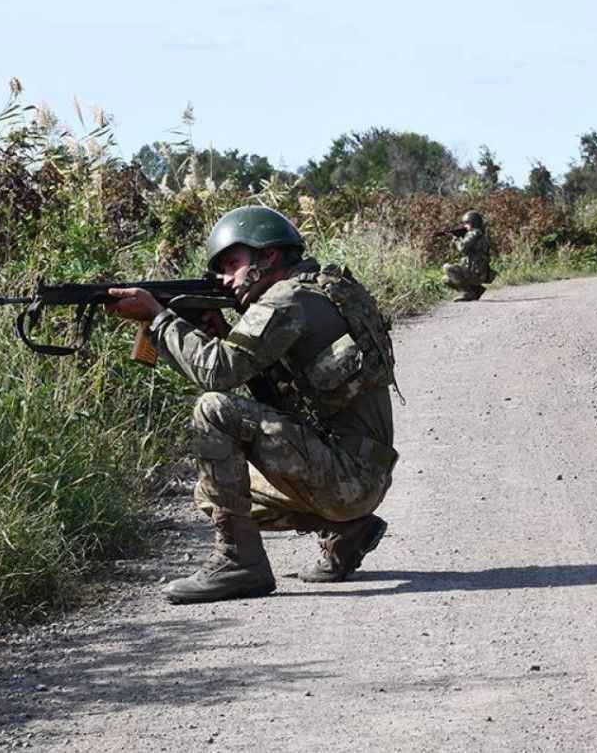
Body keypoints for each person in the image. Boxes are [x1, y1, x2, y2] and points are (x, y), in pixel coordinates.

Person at [106, 206, 399, 604]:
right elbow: (286, 397)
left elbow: (218, 374)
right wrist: (222, 332)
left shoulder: (286, 300)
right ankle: (349, 530)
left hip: (348, 478)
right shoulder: (316, 290)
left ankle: (239, 564)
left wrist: (158, 319)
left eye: (232, 264)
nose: (225, 279)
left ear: (269, 256)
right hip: (356, 474)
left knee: (213, 409)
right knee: (211, 493)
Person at [441, 210, 495, 301]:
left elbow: (462, 248)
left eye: (467, 223)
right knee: (446, 279)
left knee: (447, 268)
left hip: (476, 273)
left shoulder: (474, 233)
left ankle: (468, 293)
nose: (464, 226)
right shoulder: (478, 234)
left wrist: (456, 239)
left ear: (473, 223)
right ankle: (476, 291)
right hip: (477, 272)